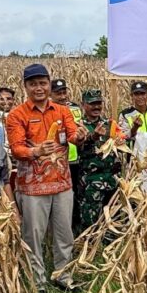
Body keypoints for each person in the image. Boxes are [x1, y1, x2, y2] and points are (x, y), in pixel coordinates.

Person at [5, 64, 80, 293]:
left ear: (49, 84)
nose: (39, 88)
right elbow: (16, 149)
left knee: (64, 233)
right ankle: (37, 282)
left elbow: (73, 135)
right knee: (33, 236)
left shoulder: (62, 111)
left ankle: (62, 276)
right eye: (33, 84)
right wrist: (35, 151)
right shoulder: (17, 115)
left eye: (43, 83)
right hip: (32, 187)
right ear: (25, 87)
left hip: (62, 183)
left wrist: (81, 136)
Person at [118, 80, 147, 225]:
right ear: (131, 96)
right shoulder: (126, 114)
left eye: (142, 93)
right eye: (136, 94)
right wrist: (134, 128)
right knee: (137, 196)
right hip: (136, 164)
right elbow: (122, 137)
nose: (140, 97)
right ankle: (137, 228)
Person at [76, 90, 121, 229]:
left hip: (112, 180)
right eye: (92, 104)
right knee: (91, 222)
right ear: (83, 105)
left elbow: (123, 141)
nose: (96, 107)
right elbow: (79, 147)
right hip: (91, 182)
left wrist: (122, 140)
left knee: (113, 220)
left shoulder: (110, 124)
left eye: (98, 103)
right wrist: (93, 137)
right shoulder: (78, 126)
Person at [51, 78, 85, 230]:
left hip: (75, 159)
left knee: (77, 195)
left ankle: (76, 228)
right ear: (51, 94)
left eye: (64, 92)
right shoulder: (48, 110)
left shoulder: (75, 108)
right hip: (57, 162)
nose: (63, 96)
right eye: (58, 93)